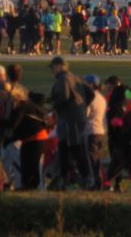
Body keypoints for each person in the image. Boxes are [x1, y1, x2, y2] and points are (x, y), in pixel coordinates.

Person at [49, 56, 89, 189]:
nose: (52, 71)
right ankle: (64, 178)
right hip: (78, 118)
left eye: (53, 68)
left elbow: (64, 98)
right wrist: (82, 107)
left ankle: (83, 178)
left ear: (60, 66)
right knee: (66, 147)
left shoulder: (63, 78)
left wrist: (53, 105)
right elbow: (91, 94)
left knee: (73, 148)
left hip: (69, 119)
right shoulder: (77, 77)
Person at [11, 92, 48, 190]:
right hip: (38, 138)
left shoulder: (23, 107)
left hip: (33, 139)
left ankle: (30, 187)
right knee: (31, 164)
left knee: (30, 165)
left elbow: (13, 124)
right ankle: (29, 186)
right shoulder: (33, 108)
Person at [83, 74, 107, 190]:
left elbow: (85, 116)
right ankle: (99, 184)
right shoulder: (101, 97)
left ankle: (95, 185)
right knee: (96, 160)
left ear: (91, 85)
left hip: (91, 131)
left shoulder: (90, 98)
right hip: (100, 132)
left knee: (91, 161)